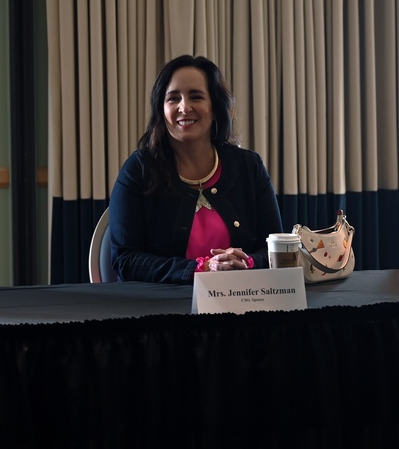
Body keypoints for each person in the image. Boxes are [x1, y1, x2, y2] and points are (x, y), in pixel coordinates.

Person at [109, 55, 283, 283]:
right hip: (163, 309)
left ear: (215, 108)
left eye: (196, 96)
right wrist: (201, 269)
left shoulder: (249, 167)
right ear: (162, 109)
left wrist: (246, 263)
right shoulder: (138, 169)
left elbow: (274, 248)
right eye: (173, 98)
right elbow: (126, 259)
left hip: (242, 301)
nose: (184, 107)